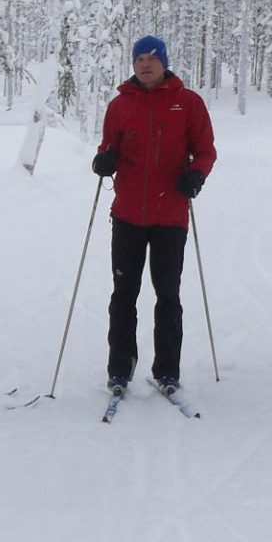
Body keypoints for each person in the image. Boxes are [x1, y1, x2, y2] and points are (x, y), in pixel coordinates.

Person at [91, 36, 216, 396]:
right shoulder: (120, 105)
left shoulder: (188, 103)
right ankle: (119, 370)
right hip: (128, 213)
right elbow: (107, 146)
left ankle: (167, 372)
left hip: (171, 215)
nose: (144, 64)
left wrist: (197, 174)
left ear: (164, 62)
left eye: (151, 58)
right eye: (139, 59)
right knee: (123, 294)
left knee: (168, 295)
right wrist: (104, 161)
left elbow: (205, 150)